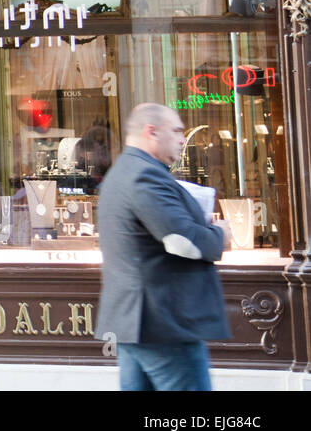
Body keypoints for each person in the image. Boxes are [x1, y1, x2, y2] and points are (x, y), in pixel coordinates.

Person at [96, 103, 229, 391]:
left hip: (139, 323)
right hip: (163, 324)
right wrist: (220, 235)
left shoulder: (124, 172)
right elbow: (182, 241)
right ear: (151, 132)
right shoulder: (145, 175)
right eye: (177, 131)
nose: (183, 138)